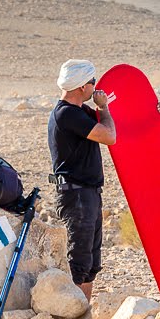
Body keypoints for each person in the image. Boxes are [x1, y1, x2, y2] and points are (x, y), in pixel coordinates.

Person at [48, 59, 116, 299]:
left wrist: (154, 109)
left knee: (90, 264)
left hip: (87, 194)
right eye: (93, 82)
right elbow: (109, 135)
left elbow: (116, 124)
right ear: (81, 87)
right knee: (79, 263)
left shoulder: (79, 112)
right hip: (77, 196)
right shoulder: (67, 114)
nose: (95, 87)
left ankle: (83, 316)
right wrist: (104, 108)